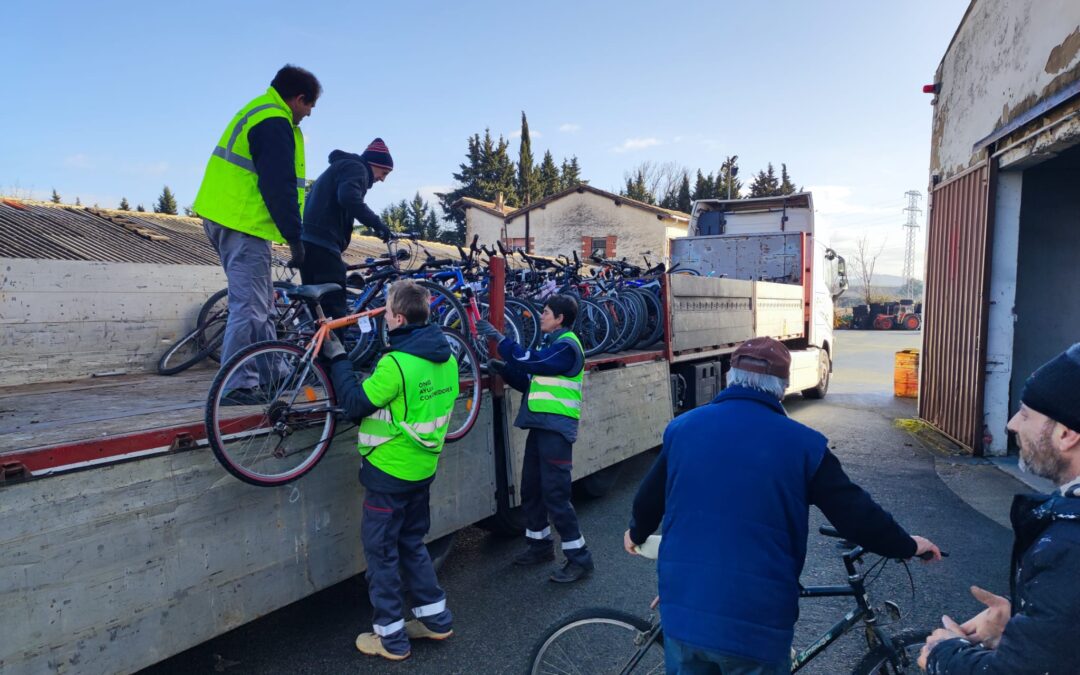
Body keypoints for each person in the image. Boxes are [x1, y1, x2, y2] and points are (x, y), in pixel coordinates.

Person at [624, 337, 941, 674]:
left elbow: (648, 503)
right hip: (755, 628)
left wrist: (636, 533)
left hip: (684, 613)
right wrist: (907, 545)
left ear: (730, 376)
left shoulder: (682, 429)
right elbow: (857, 515)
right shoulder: (805, 446)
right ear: (782, 386)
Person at [919, 343, 1080, 674]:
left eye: (1025, 414)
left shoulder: (1070, 548)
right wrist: (1023, 621)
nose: (1011, 424)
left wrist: (943, 653)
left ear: (1066, 435)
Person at [320, 280, 458, 662]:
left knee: (382, 556)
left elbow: (354, 403)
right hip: (422, 469)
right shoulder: (446, 358)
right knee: (412, 544)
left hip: (388, 472)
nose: (383, 315)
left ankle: (391, 639)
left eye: (385, 310)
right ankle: (435, 619)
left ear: (398, 317)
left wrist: (338, 358)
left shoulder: (396, 364)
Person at [193, 64, 320, 405]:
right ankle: (236, 385)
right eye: (309, 107)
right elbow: (277, 185)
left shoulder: (258, 110)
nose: (308, 115)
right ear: (298, 98)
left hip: (230, 218)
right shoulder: (274, 121)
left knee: (263, 303)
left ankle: (271, 372)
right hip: (241, 222)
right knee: (249, 306)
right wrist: (295, 237)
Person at [476, 296, 595, 583]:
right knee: (531, 488)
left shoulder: (566, 347)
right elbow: (531, 382)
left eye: (546, 312)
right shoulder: (553, 344)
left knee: (555, 495)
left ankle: (580, 559)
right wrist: (503, 369)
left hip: (556, 430)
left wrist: (500, 339)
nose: (541, 316)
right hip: (541, 427)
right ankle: (540, 546)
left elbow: (535, 362)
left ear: (560, 319)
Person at [299, 139, 394, 334]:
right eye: (384, 173)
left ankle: (312, 359)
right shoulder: (356, 168)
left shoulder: (342, 167)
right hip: (322, 243)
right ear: (373, 164)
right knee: (335, 309)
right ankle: (335, 362)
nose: (382, 179)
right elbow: (349, 198)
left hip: (309, 241)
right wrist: (379, 226)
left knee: (318, 311)